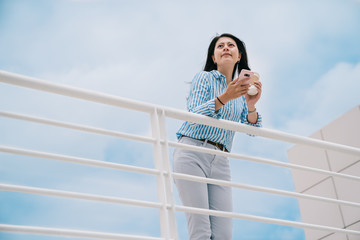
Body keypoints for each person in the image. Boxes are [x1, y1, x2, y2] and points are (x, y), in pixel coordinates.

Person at [173, 33, 262, 240]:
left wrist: (251, 105)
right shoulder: (204, 78)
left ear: (239, 56)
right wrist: (224, 97)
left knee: (223, 235)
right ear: (214, 58)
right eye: (220, 46)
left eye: (231, 45)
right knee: (201, 231)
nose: (225, 48)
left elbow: (252, 129)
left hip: (221, 161)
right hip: (192, 153)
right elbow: (193, 115)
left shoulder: (241, 93)